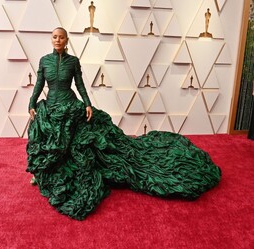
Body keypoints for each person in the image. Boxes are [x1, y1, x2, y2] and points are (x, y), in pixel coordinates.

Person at [26, 27, 221, 220]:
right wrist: (32, 104)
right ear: (51, 39)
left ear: (67, 40)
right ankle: (42, 173)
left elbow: (79, 85)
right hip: (50, 106)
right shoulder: (45, 61)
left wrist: (87, 104)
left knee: (78, 141)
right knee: (43, 136)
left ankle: (52, 172)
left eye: (61, 37)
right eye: (54, 37)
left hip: (71, 105)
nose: (57, 40)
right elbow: (39, 85)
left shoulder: (73, 61)